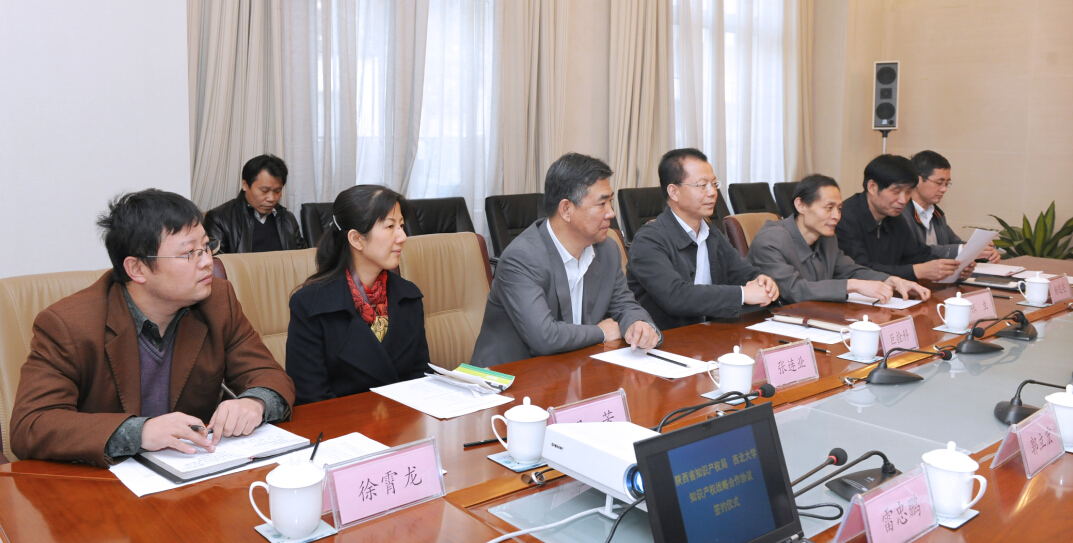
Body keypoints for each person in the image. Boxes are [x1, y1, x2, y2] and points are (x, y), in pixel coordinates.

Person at [10, 190, 294, 468]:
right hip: (105, 482)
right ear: (137, 269)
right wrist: (139, 432)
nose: (208, 261)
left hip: (194, 472)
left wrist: (255, 402)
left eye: (207, 246)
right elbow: (31, 425)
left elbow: (270, 375)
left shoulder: (218, 301)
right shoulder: (68, 324)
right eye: (189, 253)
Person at [470, 153, 660, 367]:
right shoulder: (521, 258)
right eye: (601, 204)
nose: (611, 213)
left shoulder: (608, 249)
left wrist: (638, 324)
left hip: (571, 369)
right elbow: (544, 337)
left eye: (611, 202)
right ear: (566, 209)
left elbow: (625, 305)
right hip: (507, 377)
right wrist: (600, 332)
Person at [285, 185, 431, 404]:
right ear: (356, 239)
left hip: (404, 420)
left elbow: (421, 380)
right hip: (342, 424)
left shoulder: (409, 297)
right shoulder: (310, 304)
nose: (403, 236)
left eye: (401, 225)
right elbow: (312, 401)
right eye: (390, 226)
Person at [626, 148, 779, 328]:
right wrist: (743, 294)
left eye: (714, 184)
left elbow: (742, 272)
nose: (713, 192)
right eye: (702, 185)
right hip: (666, 339)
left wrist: (762, 280)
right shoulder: (648, 240)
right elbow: (676, 296)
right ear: (674, 192)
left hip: (710, 335)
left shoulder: (711, 233)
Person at [748, 174, 930, 304]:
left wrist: (891, 280)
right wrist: (852, 286)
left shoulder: (827, 239)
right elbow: (793, 290)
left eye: (840, 208)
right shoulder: (771, 240)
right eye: (829, 208)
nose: (836, 216)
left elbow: (851, 271)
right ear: (801, 205)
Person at [836, 155, 968, 282]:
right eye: (896, 192)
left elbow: (917, 254)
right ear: (872, 187)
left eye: (908, 192)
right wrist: (916, 271)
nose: (903, 200)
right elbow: (859, 270)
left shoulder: (894, 218)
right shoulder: (845, 217)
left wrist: (952, 267)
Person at [904, 150, 1001, 262]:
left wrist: (982, 251)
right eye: (939, 183)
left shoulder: (936, 214)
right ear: (917, 180)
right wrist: (961, 249)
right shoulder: (901, 215)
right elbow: (915, 252)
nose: (944, 189)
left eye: (947, 183)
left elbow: (955, 244)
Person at [204, 154, 306, 254]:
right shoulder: (219, 220)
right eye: (264, 191)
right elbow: (217, 263)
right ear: (245, 185)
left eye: (277, 191)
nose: (271, 198)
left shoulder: (287, 219)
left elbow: (303, 258)